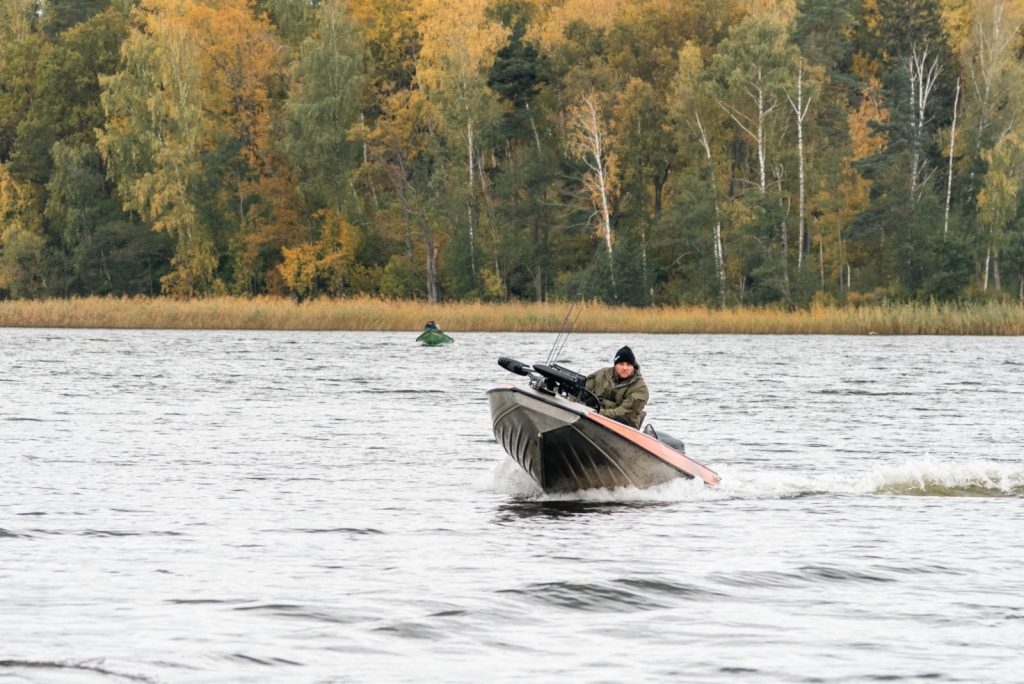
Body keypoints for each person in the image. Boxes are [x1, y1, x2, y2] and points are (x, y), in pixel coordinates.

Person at [583, 345, 648, 428]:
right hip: (595, 414)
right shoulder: (601, 374)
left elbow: (624, 411)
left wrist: (596, 413)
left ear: (633, 366)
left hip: (625, 423)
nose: (625, 368)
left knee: (620, 419)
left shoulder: (640, 388)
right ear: (615, 365)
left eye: (628, 365)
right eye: (621, 364)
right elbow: (583, 389)